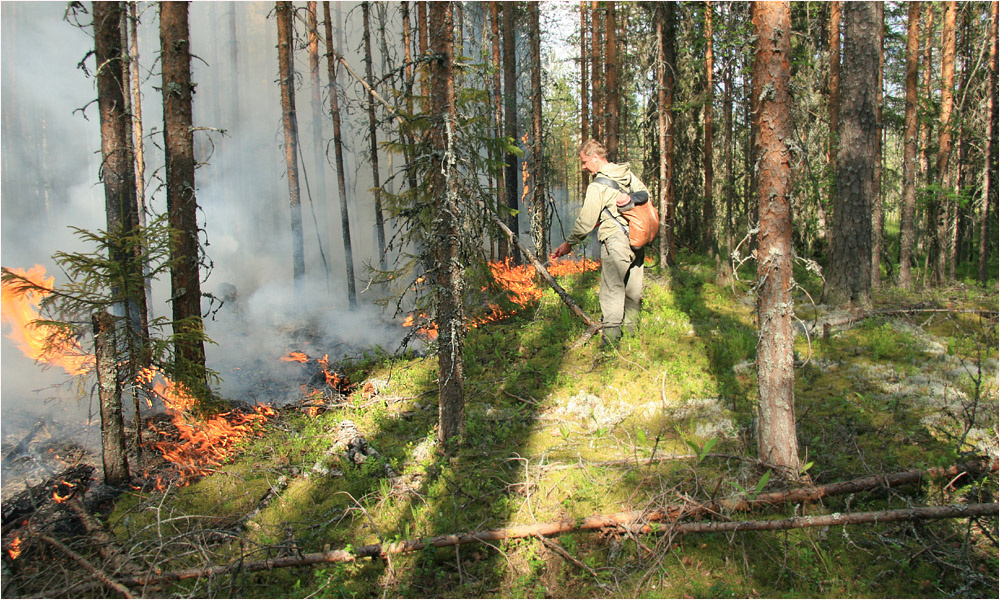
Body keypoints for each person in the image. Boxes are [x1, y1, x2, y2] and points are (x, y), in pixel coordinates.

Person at [552, 139, 647, 344]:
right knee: (632, 290)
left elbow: (585, 223)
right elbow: (644, 195)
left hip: (616, 241)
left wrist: (568, 244)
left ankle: (611, 343)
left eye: (585, 162)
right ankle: (632, 337)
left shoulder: (598, 186)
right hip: (637, 238)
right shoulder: (625, 173)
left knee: (612, 291)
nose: (584, 167)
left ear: (595, 157)